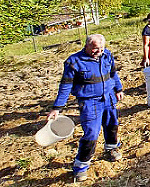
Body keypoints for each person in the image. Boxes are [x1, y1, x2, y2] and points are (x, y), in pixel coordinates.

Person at [48, 34, 123, 182]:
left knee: (112, 125)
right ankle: (81, 166)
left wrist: (118, 89)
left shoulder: (107, 55)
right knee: (91, 134)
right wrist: (57, 107)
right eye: (95, 49)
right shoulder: (74, 62)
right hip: (90, 102)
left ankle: (111, 148)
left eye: (101, 49)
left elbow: (113, 73)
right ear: (87, 46)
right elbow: (66, 85)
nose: (99, 52)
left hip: (108, 97)